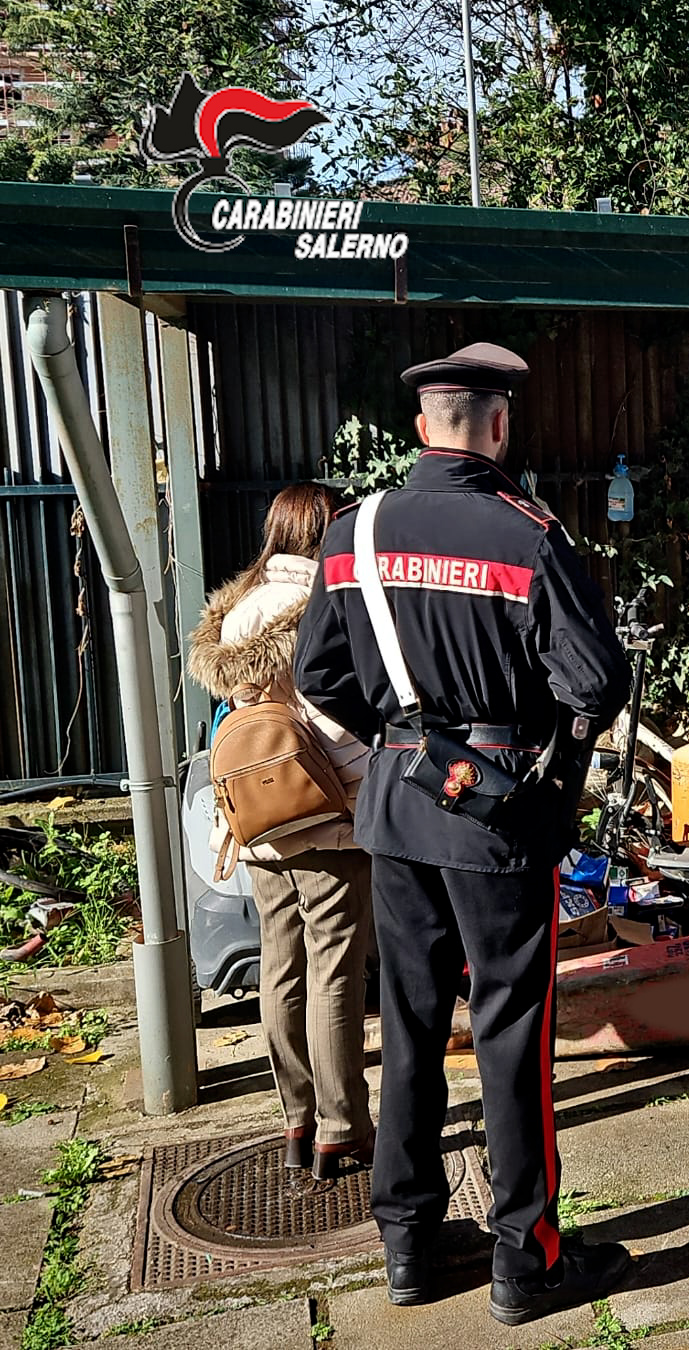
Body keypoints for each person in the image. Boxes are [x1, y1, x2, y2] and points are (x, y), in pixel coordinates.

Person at [294, 343, 634, 1327]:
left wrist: (408, 744)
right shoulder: (527, 534)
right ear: (498, 426)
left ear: (418, 427)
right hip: (496, 821)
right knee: (510, 1037)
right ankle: (524, 1256)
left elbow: (319, 677)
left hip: (397, 807)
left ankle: (406, 1238)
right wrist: (516, 754)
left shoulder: (352, 532)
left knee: (406, 1024)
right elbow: (597, 682)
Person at [187, 483, 373, 1178]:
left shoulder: (238, 612)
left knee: (281, 963)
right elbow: (338, 717)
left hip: (258, 815)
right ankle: (343, 1126)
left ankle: (296, 1119)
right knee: (336, 971)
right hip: (325, 815)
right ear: (325, 529)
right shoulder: (326, 603)